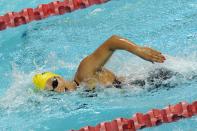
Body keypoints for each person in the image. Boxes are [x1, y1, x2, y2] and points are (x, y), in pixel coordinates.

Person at [33, 35, 166, 92]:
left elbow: (112, 42)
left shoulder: (83, 73)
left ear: (59, 77)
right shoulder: (80, 93)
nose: (57, 89)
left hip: (154, 81)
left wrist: (138, 50)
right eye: (52, 92)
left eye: (55, 83)